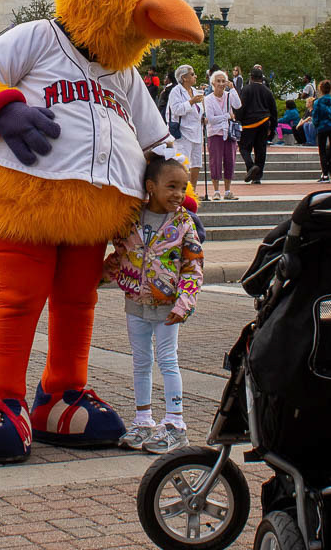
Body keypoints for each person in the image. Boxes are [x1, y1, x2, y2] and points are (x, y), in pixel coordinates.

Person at [102, 156, 203, 455]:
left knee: (168, 361)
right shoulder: (131, 219)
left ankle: (175, 424)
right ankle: (143, 420)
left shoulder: (184, 223)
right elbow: (120, 256)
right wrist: (97, 277)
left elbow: (193, 268)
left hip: (168, 306)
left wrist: (184, 303)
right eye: (171, 186)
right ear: (150, 186)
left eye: (182, 188)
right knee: (141, 362)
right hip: (135, 302)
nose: (177, 194)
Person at [202, 70, 240, 201]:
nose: (221, 83)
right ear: (213, 82)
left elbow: (238, 105)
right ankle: (216, 190)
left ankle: (228, 190)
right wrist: (227, 116)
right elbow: (211, 119)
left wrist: (233, 89)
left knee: (230, 161)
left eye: (223, 81)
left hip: (229, 133)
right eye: (218, 81)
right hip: (215, 134)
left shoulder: (229, 95)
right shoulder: (208, 99)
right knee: (215, 162)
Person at [236, 66, 277, 184]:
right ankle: (257, 176)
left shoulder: (246, 89)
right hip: (264, 122)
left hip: (248, 124)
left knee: (244, 147)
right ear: (262, 78)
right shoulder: (267, 91)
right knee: (261, 149)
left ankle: (250, 166)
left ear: (251, 77)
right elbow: (273, 110)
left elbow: (241, 106)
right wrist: (273, 127)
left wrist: (238, 120)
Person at [166, 65, 205, 191]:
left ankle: (192, 190)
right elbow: (176, 109)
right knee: (183, 163)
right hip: (183, 133)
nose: (195, 76)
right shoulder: (176, 91)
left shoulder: (194, 90)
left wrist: (202, 117)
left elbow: (199, 110)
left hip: (197, 132)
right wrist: (191, 102)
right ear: (184, 78)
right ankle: (182, 190)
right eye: (192, 74)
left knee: (197, 163)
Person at [312, 81, 331, 181]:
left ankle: (325, 174)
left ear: (320, 89)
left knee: (322, 150)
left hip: (322, 127)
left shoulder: (317, 102)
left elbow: (315, 116)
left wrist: (316, 124)